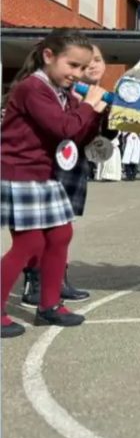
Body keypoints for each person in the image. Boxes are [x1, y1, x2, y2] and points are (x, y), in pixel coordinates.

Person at [1, 29, 107, 338]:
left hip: (44, 174)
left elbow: (81, 135)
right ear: (49, 56)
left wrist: (97, 112)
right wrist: (88, 104)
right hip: (19, 173)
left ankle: (49, 305)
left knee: (61, 234)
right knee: (29, 243)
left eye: (83, 68)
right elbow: (64, 128)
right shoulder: (32, 88)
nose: (77, 74)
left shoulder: (60, 92)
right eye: (72, 66)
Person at [21, 41, 111, 307]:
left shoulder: (97, 95)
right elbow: (64, 129)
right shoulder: (62, 92)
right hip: (49, 166)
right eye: (87, 61)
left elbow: (98, 137)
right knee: (41, 227)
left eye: (98, 59)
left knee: (62, 228)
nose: (94, 65)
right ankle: (34, 281)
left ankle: (57, 278)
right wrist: (89, 108)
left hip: (74, 166)